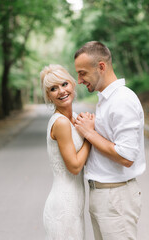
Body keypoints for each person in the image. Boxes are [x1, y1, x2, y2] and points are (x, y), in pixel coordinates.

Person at [74, 41, 146, 240]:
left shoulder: (122, 100)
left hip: (116, 198)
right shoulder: (106, 100)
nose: (79, 80)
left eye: (82, 73)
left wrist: (90, 133)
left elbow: (126, 157)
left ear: (101, 67)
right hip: (103, 196)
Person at [40, 64, 91, 240]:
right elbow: (75, 166)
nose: (61, 91)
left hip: (75, 205)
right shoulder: (60, 122)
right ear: (49, 96)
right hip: (63, 207)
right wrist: (90, 138)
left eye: (64, 84)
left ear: (72, 84)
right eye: (53, 89)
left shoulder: (75, 117)